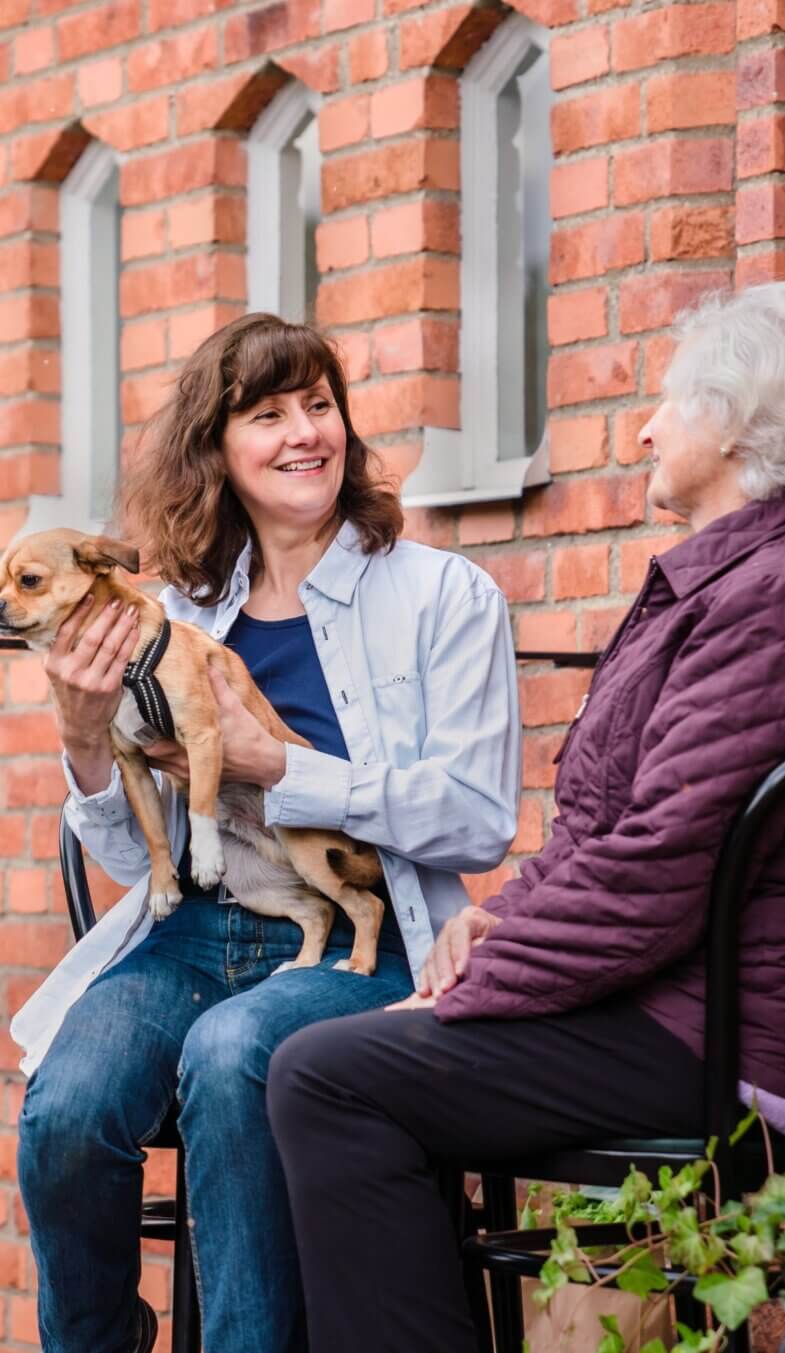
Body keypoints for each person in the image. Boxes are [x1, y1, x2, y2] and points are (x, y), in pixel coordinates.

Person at [266, 281, 785, 1352]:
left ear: (735, 424)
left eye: (669, 400)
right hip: (685, 1005)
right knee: (338, 1058)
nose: (644, 424)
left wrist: (479, 987)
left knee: (330, 1075)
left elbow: (661, 864)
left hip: (740, 1043)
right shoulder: (749, 582)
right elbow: (613, 833)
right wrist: (493, 924)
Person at [12, 313, 521, 1353]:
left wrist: (281, 766)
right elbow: (124, 857)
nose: (304, 434)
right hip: (194, 935)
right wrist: (83, 737)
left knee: (234, 1051)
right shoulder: (176, 613)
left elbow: (475, 821)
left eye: (320, 406)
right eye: (267, 414)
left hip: (361, 943)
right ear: (218, 451)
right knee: (67, 1104)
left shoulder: (441, 596)